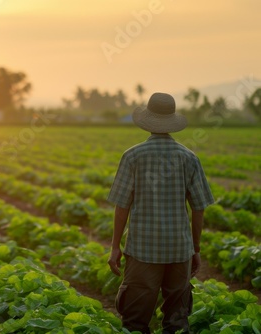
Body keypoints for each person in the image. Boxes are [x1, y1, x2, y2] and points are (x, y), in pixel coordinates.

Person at [106, 92, 215, 334]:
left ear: (147, 120)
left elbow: (121, 205)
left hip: (142, 251)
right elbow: (199, 208)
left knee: (134, 321)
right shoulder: (189, 158)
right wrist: (195, 249)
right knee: (177, 322)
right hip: (179, 251)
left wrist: (115, 246)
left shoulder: (132, 156)